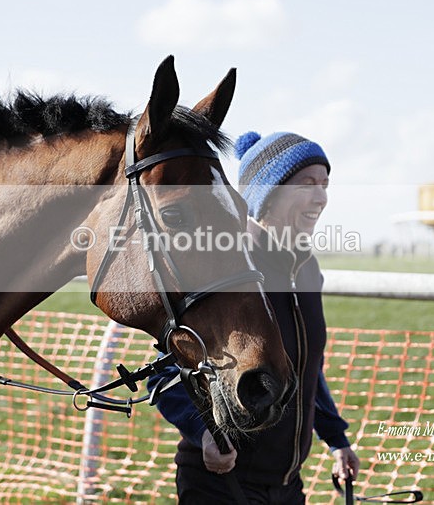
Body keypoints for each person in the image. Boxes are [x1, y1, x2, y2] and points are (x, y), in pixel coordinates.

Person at [147, 131, 360, 504]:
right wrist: (206, 436)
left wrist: (336, 440)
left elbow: (306, 366)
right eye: (306, 184)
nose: (321, 196)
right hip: (222, 481)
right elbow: (164, 371)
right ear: (268, 192)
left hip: (287, 484)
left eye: (325, 184)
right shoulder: (227, 264)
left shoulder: (307, 268)